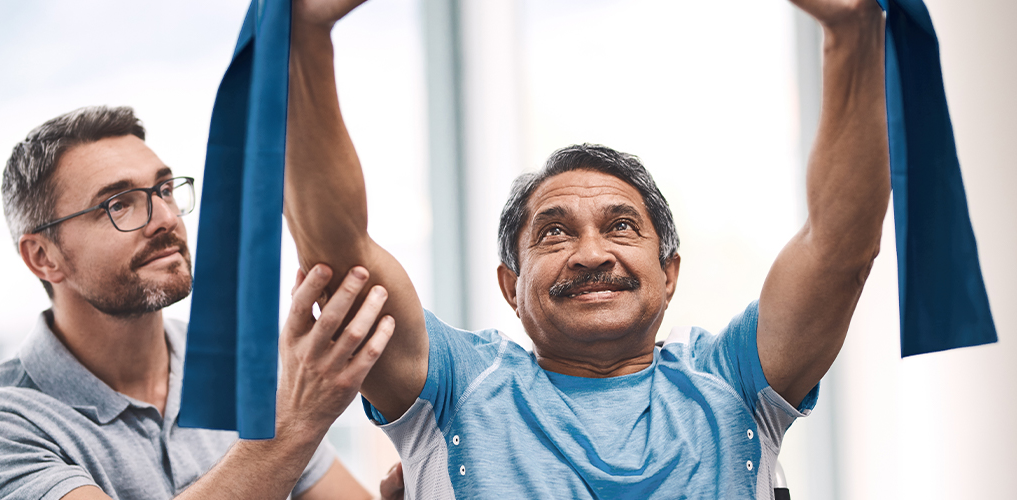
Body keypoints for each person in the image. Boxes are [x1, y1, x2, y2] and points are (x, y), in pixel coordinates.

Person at [285, 0, 888, 497]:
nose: (591, 254)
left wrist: (852, 32)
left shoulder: (731, 379)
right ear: (508, 285)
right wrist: (308, 39)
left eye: (622, 226)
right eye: (554, 232)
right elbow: (340, 251)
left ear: (669, 272)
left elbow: (840, 248)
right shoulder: (452, 386)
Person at [0, 106, 404, 500]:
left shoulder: (236, 370)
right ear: (43, 257)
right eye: (119, 204)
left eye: (163, 190)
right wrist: (298, 419)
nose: (165, 218)